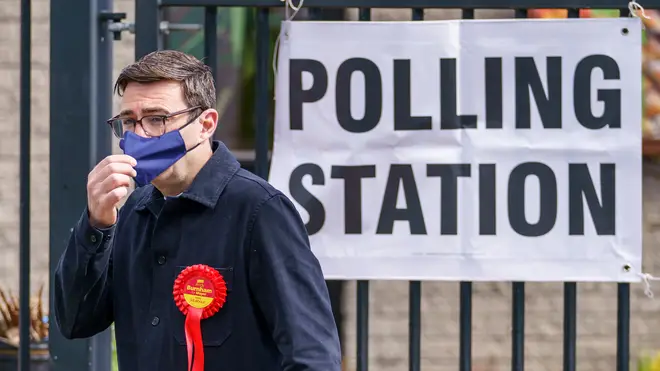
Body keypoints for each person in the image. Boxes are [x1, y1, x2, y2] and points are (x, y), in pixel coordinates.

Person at [53, 50, 342, 371]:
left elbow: (313, 356)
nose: (139, 135)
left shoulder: (259, 210)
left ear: (205, 124)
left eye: (157, 119)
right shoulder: (135, 210)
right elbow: (75, 320)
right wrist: (96, 224)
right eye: (128, 122)